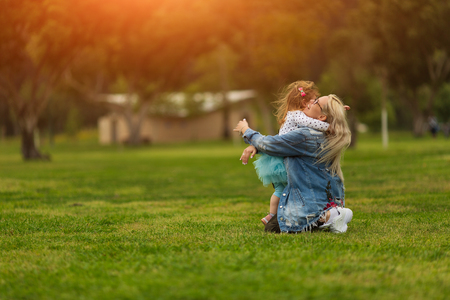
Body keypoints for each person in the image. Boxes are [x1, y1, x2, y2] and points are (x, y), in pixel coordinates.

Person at [234, 94, 353, 233]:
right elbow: (282, 142)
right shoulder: (330, 134)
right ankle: (333, 216)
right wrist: (255, 147)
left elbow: (270, 144)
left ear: (321, 117)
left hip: (312, 202)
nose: (310, 103)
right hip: (331, 199)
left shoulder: (305, 135)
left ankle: (327, 217)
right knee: (279, 223)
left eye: (316, 102)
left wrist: (245, 130)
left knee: (273, 228)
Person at [242, 81, 329, 225]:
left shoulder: (292, 115)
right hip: (284, 160)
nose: (315, 103)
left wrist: (335, 109)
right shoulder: (297, 115)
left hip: (275, 159)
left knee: (280, 189)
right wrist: (331, 126)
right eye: (314, 100)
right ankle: (293, 215)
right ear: (304, 102)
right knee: (290, 188)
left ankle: (271, 215)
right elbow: (315, 123)